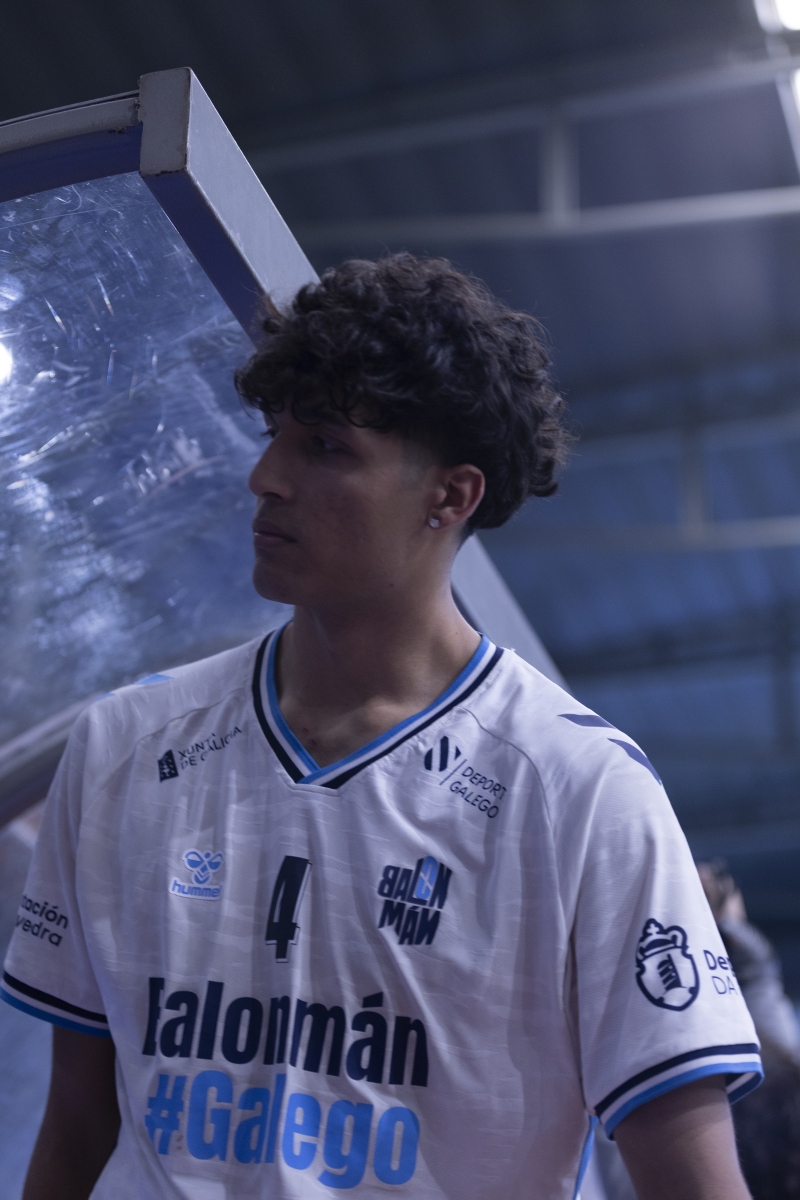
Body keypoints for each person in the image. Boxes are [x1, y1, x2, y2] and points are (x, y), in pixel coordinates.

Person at [2, 254, 761, 1200]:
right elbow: (76, 1124)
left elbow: (694, 1181)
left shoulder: (580, 791)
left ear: (451, 496)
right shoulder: (124, 745)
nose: (266, 477)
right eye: (275, 436)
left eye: (325, 446)